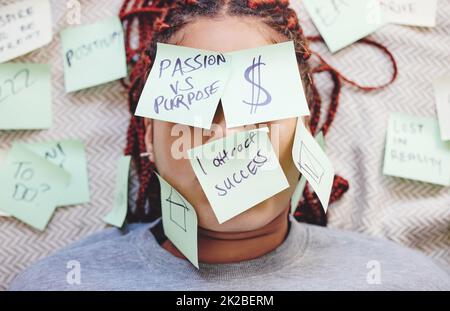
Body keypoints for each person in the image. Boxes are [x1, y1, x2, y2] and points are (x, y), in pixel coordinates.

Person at [9, 0, 449, 291]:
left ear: (307, 126)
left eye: (259, 108)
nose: (226, 139)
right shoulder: (60, 283)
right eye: (194, 109)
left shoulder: (404, 281)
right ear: (149, 139)